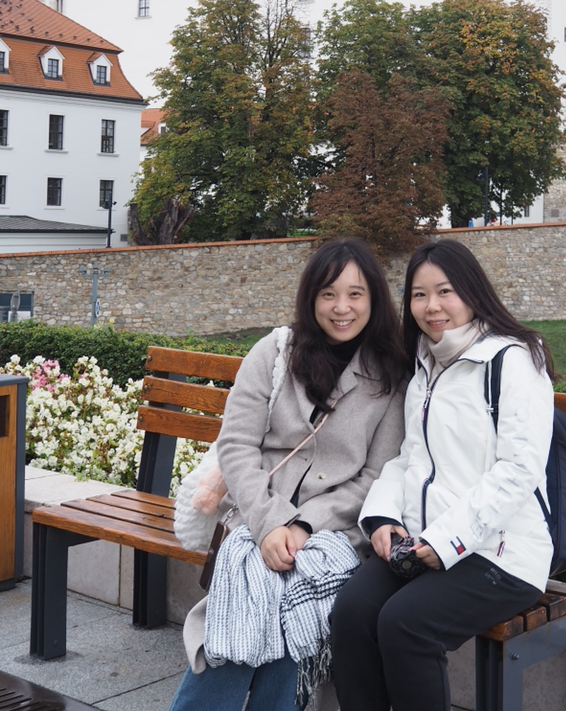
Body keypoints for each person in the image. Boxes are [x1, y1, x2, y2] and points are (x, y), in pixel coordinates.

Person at [168, 237, 409, 711]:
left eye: (355, 294)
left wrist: (304, 526)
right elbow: (237, 445)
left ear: (375, 299)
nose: (342, 307)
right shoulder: (275, 352)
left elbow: (375, 476)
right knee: (257, 583)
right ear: (310, 297)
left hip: (335, 529)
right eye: (328, 294)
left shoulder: (391, 376)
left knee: (292, 593)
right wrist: (271, 523)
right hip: (256, 512)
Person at [330, 238, 556, 711]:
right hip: (426, 541)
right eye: (419, 294)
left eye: (445, 291)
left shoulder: (513, 360)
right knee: (351, 613)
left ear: (472, 292)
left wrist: (447, 540)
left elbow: (519, 470)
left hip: (500, 552)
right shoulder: (426, 363)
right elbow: (411, 456)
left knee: (405, 625)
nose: (431, 306)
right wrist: (383, 517)